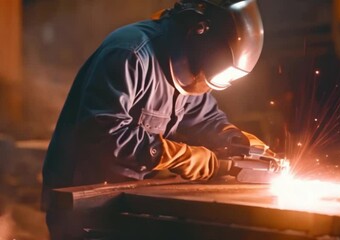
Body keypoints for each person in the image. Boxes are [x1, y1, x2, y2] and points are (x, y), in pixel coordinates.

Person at [42, 0, 271, 238]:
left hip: (128, 197)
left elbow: (203, 117)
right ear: (199, 31)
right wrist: (177, 156)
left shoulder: (190, 66)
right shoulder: (130, 55)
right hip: (81, 200)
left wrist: (232, 136)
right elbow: (104, 134)